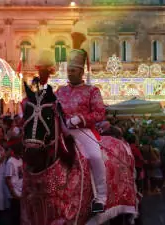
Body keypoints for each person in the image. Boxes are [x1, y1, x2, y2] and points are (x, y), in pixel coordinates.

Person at [54, 48, 107, 212]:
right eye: (68, 70)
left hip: (83, 131)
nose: (70, 73)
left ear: (81, 71)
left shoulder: (92, 91)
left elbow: (100, 112)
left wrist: (81, 119)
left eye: (73, 70)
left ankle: (101, 197)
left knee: (95, 156)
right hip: (62, 132)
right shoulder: (60, 91)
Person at [5, 137, 23, 225]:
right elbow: (7, 179)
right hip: (15, 195)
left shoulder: (20, 160)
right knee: (14, 217)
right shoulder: (10, 162)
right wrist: (13, 193)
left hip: (21, 193)